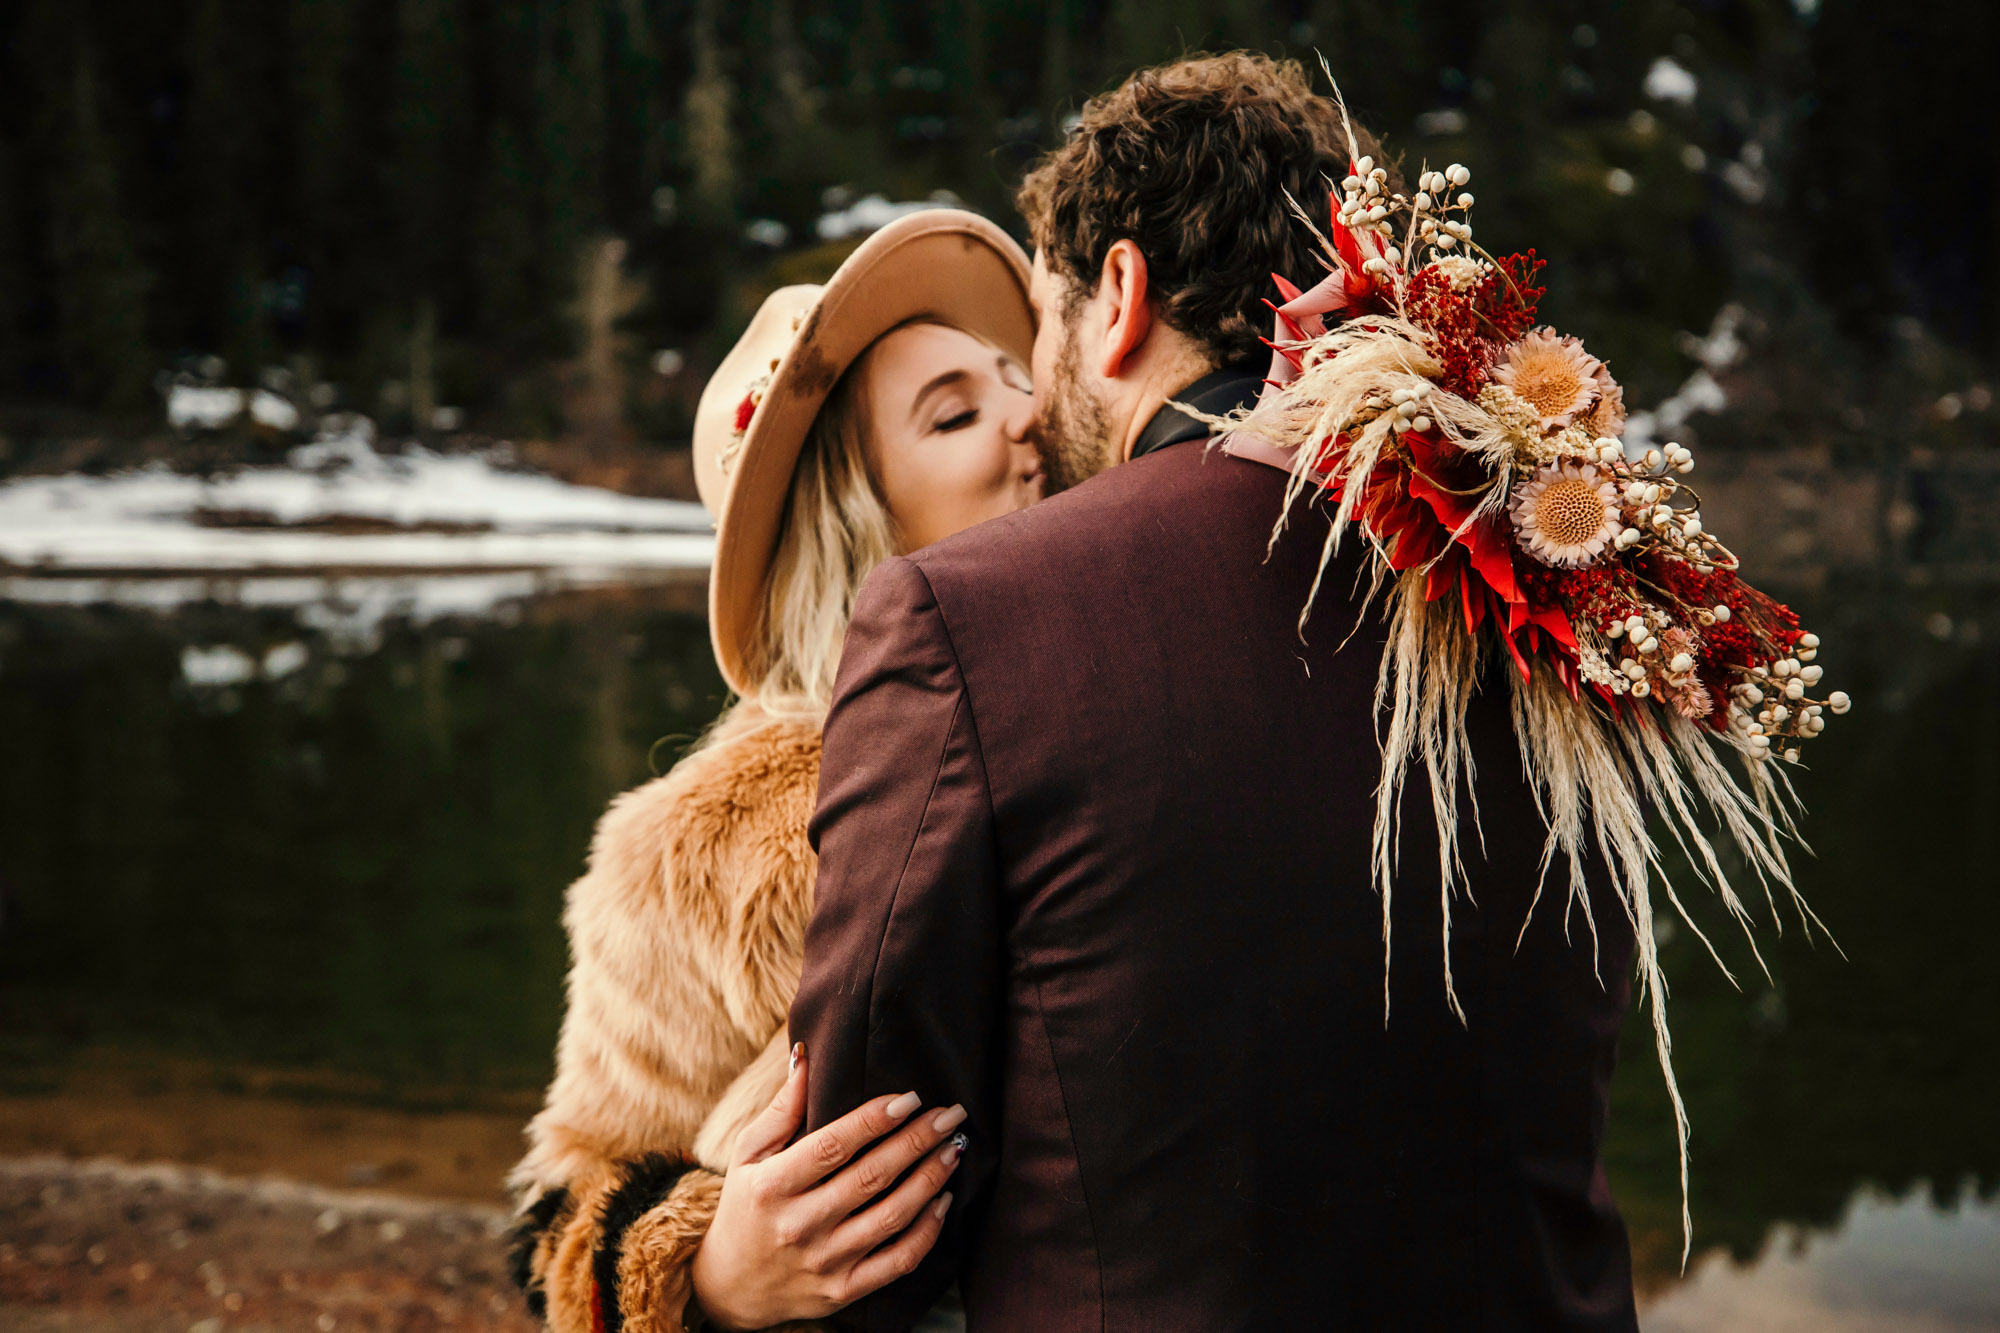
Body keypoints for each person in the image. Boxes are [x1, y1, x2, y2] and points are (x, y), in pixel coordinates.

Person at [787, 51, 1641, 1332]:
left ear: (1116, 296)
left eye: (1042, 322)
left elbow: (864, 1206)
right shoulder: (1559, 604)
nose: (1031, 397)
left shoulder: (968, 615)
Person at [507, 209, 1046, 1333]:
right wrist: (708, 1271)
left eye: (1018, 372)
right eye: (954, 414)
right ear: (857, 529)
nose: (1030, 410)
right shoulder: (682, 857)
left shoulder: (1155, 679)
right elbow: (565, 1216)